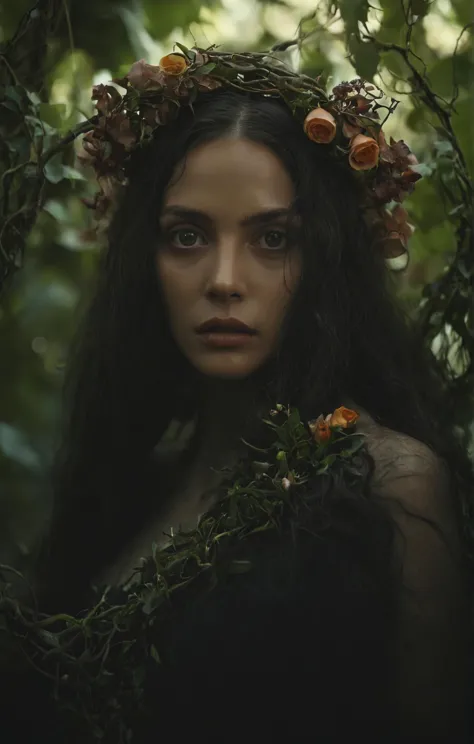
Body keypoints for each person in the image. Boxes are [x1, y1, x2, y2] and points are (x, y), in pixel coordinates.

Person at [3, 49, 473, 742]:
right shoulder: (132, 482)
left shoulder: (388, 484)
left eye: (273, 239)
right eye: (187, 236)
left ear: (325, 258)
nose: (225, 279)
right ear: (145, 257)